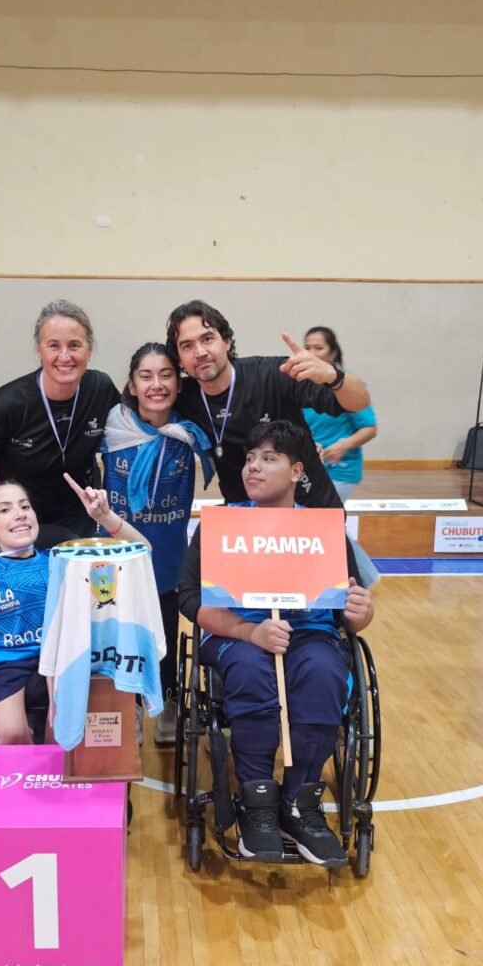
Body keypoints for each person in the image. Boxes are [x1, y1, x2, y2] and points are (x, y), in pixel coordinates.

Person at [179, 420, 374, 866]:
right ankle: (258, 805)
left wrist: (361, 612)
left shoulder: (324, 530)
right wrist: (248, 632)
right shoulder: (220, 525)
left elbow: (350, 611)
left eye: (269, 459)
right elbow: (190, 598)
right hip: (237, 632)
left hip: (309, 633)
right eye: (250, 458)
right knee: (250, 668)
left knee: (323, 670)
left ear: (296, 471)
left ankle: (300, 803)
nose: (254, 467)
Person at [0, 474, 150, 744]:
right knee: (11, 733)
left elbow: (144, 551)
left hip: (61, 657)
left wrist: (105, 517)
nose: (19, 514)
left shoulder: (64, 560)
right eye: (5, 509)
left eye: (25, 506)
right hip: (4, 664)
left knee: (60, 733)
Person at [101, 342, 213, 745]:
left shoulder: (191, 430)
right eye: (146, 376)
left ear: (178, 384)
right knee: (119, 636)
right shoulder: (111, 426)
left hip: (166, 558)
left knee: (163, 637)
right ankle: (127, 706)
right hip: (115, 557)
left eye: (166, 375)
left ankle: (167, 703)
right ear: (132, 385)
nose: (157, 384)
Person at [166, 300, 371, 510]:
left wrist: (333, 376)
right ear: (179, 359)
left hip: (311, 509)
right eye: (187, 346)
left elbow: (360, 402)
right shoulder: (183, 396)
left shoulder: (275, 374)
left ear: (226, 341)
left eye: (207, 339)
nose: (200, 352)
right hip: (244, 515)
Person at [0, 300, 120, 548]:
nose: (65, 356)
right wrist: (3, 513)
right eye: (54, 345)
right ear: (39, 350)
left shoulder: (101, 390)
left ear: (89, 349)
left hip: (79, 524)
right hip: (20, 528)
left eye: (74, 345)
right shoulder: (2, 406)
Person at [302, 325, 379, 587]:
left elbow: (369, 427)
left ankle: (364, 577)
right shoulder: (302, 386)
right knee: (326, 524)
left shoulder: (346, 387)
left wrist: (342, 445)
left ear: (332, 352)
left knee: (326, 523)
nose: (312, 352)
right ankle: (365, 575)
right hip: (313, 469)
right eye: (308, 347)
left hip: (341, 470)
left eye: (319, 347)